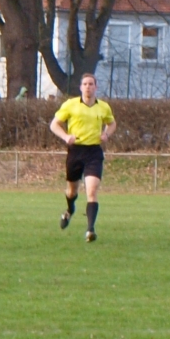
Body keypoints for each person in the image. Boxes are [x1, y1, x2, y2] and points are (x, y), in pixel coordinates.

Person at [49, 73, 115, 242]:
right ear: (80, 87)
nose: (88, 87)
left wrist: (106, 134)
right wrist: (65, 137)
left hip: (93, 152)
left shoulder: (103, 107)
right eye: (85, 84)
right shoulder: (70, 105)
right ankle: (70, 210)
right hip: (75, 152)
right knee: (72, 191)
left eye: (91, 84)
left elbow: (112, 123)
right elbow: (54, 124)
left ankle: (90, 230)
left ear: (96, 87)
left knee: (91, 191)